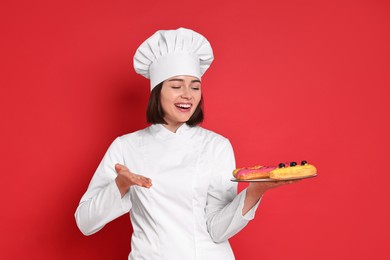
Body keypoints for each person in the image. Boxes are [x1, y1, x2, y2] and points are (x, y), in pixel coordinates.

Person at [75, 28, 296, 260]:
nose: (188, 95)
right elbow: (85, 223)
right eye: (176, 85)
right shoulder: (126, 147)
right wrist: (120, 185)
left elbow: (217, 230)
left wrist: (254, 192)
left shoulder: (216, 145)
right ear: (157, 92)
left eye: (195, 86)